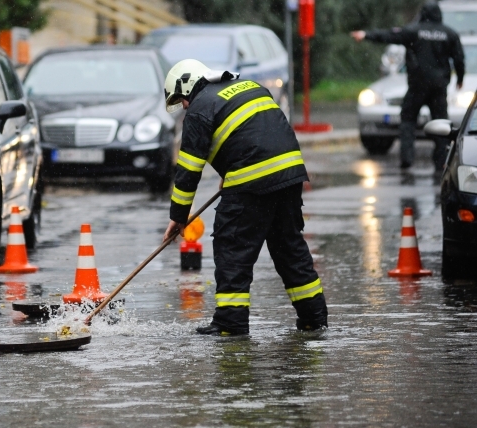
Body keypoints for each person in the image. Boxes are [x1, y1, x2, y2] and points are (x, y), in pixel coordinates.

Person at [162, 59, 328, 336]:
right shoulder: (250, 87)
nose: (184, 107)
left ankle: (230, 324)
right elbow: (259, 133)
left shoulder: (200, 108)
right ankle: (314, 319)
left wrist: (178, 217)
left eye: (182, 100)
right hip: (290, 176)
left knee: (232, 249)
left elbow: (189, 171)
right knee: (289, 250)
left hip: (251, 182)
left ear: (188, 87)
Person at [350, 2, 465, 173]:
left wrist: (366, 35)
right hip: (438, 87)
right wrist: (460, 79)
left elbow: (389, 35)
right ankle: (441, 161)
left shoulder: (413, 31)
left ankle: (407, 159)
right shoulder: (449, 34)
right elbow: (458, 58)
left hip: (417, 86)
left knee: (408, 121)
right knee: (441, 125)